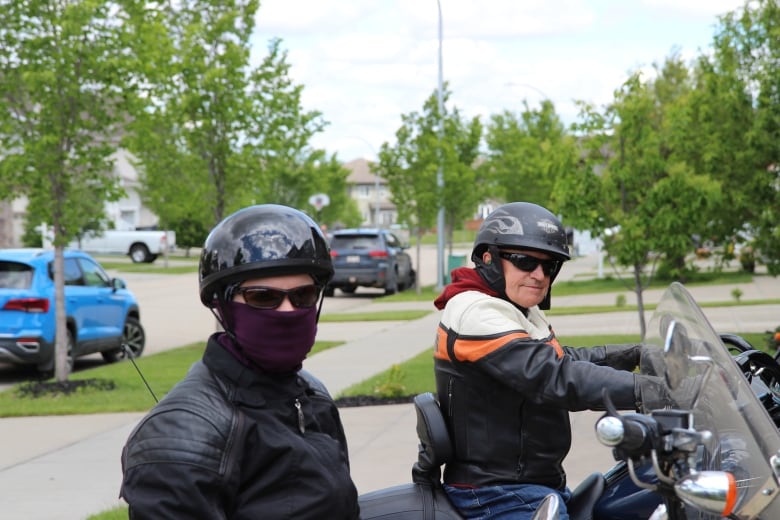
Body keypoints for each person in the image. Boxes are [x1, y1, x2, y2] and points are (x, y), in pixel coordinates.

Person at [120, 204, 360, 519]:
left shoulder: (311, 394)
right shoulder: (180, 436)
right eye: (263, 297)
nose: (288, 310)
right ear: (222, 307)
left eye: (303, 296)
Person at [432, 202, 648, 520]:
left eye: (548, 266)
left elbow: (558, 359)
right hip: (495, 494)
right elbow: (552, 376)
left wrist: (632, 356)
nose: (538, 275)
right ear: (489, 258)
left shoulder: (514, 306)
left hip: (530, 485)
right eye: (525, 261)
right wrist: (649, 389)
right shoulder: (476, 311)